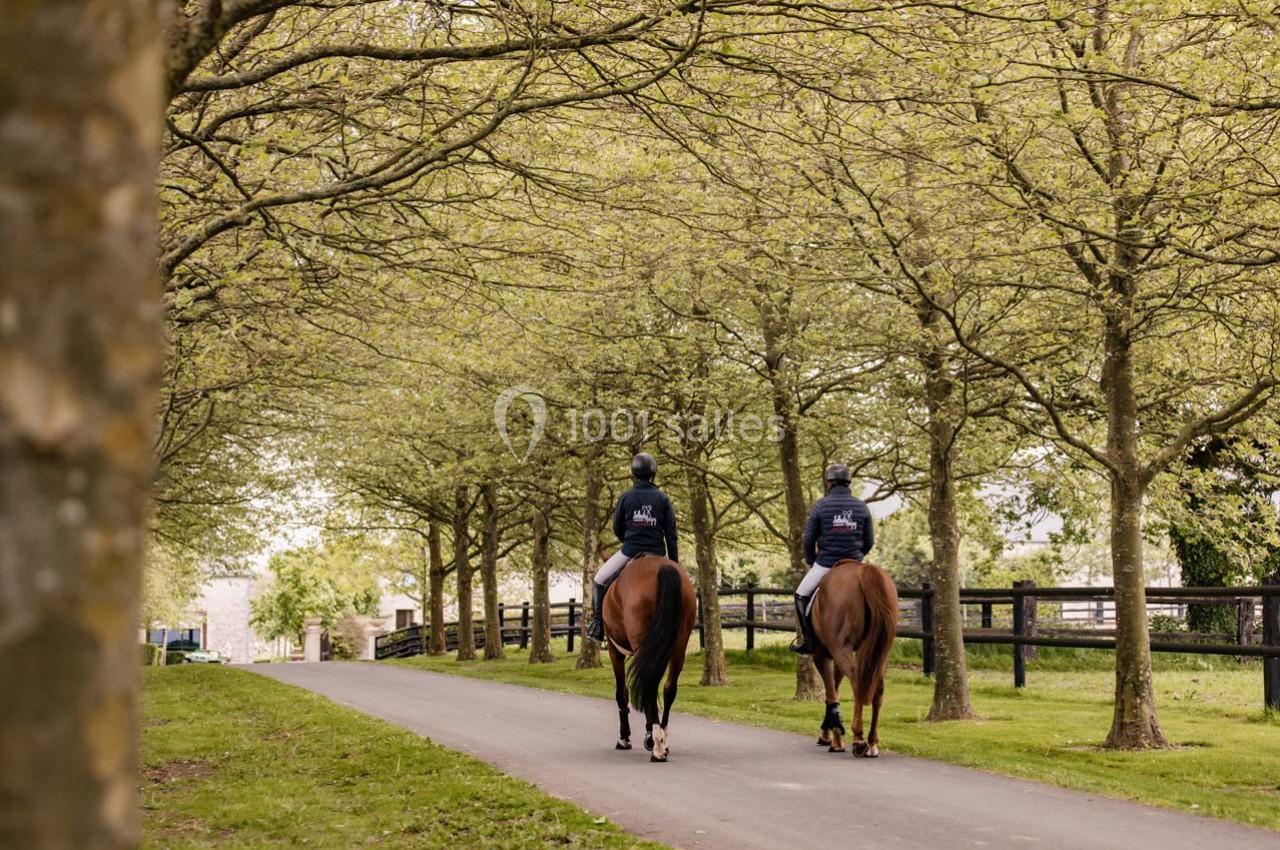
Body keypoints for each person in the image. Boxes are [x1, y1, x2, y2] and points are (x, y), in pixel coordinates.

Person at [586, 452, 679, 642]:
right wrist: (674, 564)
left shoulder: (626, 498)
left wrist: (628, 540)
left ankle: (597, 625)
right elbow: (671, 535)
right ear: (653, 474)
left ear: (633, 474)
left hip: (630, 551)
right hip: (658, 554)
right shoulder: (663, 499)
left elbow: (617, 528)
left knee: (599, 579)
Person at [790, 462, 874, 655]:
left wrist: (811, 561)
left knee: (800, 595)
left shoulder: (821, 506)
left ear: (828, 483)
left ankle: (809, 641)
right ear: (848, 483)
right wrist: (857, 558)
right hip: (855, 563)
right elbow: (869, 541)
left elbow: (809, 539)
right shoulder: (861, 507)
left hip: (826, 564)